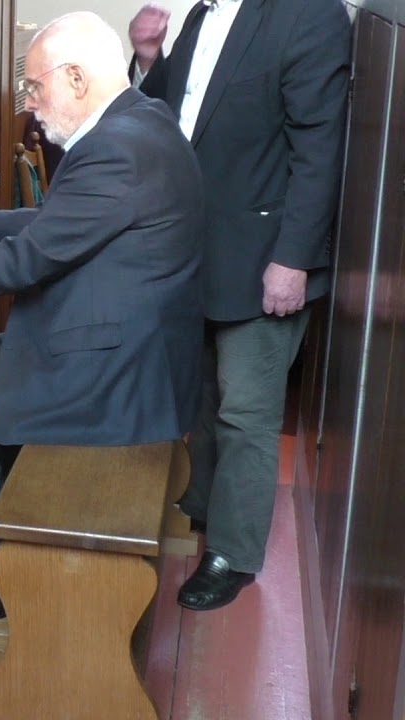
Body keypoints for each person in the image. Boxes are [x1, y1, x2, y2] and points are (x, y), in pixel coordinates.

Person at [0, 11, 204, 620]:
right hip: (144, 350)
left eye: (34, 86)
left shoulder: (114, 151)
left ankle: (5, 582)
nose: (27, 104)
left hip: (121, 383)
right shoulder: (140, 121)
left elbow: (18, 267)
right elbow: (61, 223)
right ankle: (17, 523)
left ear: (76, 78)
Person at [128, 0, 350, 611]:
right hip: (197, 247)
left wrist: (294, 259)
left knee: (247, 411)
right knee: (199, 392)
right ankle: (198, 506)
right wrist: (150, 58)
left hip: (266, 255)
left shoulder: (310, 15)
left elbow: (320, 151)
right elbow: (172, 115)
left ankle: (234, 552)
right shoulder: (202, 15)